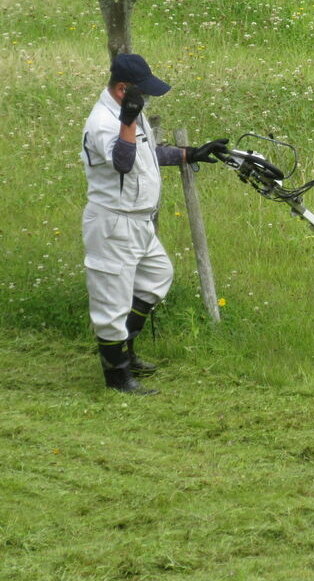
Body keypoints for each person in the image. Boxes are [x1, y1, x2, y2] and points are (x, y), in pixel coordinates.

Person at [80, 53, 227, 394]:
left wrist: (191, 153)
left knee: (156, 277)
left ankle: (126, 353)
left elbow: (148, 154)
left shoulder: (131, 114)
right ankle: (118, 378)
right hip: (113, 223)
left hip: (138, 221)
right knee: (111, 303)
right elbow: (123, 163)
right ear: (122, 89)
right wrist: (127, 121)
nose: (146, 99)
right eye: (141, 93)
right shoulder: (104, 121)